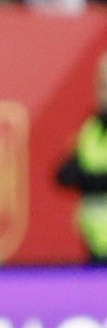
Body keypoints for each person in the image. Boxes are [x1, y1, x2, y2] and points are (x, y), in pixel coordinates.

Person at [56, 53, 107, 264]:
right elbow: (64, 174)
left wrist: (88, 179)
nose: (102, 93)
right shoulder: (91, 130)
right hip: (95, 244)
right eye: (101, 85)